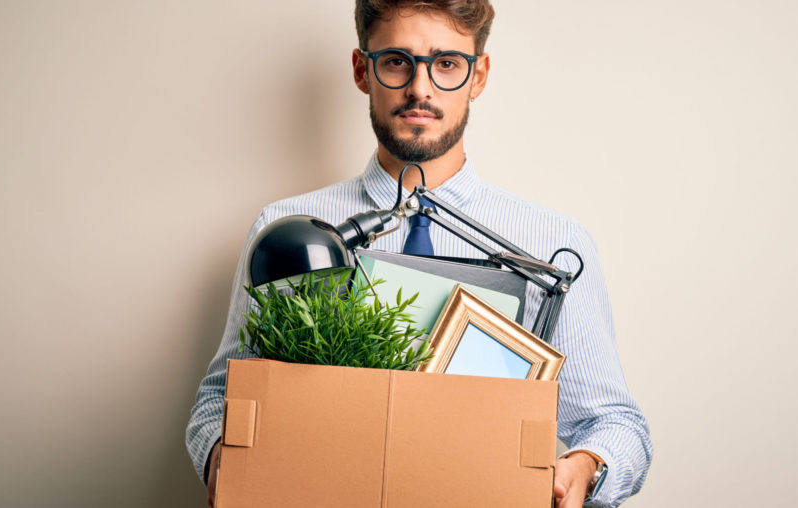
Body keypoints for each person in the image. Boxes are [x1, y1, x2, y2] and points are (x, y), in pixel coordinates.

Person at [186, 1, 653, 506]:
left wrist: (583, 468)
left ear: (479, 76)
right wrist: (227, 464)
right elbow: (218, 402)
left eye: (447, 63)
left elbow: (617, 424)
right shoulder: (290, 233)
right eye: (397, 62)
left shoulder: (551, 245)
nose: (421, 89)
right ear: (363, 70)